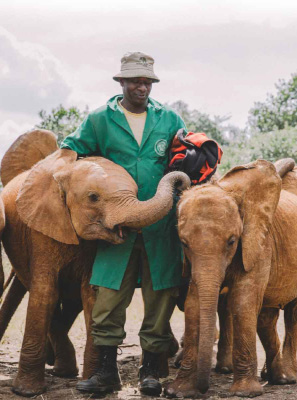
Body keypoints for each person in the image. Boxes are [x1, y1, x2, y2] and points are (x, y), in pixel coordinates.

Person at [60, 51, 186, 396]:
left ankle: (150, 371)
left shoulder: (169, 118)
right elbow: (71, 150)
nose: (141, 87)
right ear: (122, 82)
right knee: (108, 298)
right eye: (134, 81)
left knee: (160, 297)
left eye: (146, 81)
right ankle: (105, 373)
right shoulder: (101, 119)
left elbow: (185, 159)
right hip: (115, 228)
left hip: (161, 226)